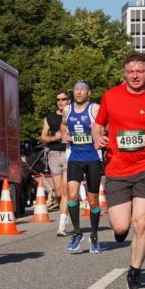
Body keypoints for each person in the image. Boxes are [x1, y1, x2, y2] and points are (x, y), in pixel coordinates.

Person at [92, 52, 145, 289]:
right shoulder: (111, 96)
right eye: (131, 71)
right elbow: (98, 125)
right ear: (125, 73)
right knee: (120, 227)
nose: (135, 75)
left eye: (140, 71)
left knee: (142, 220)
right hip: (116, 168)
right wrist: (97, 137)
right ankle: (121, 230)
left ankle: (134, 272)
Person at [59, 80, 103, 253]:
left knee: (93, 201)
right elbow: (63, 125)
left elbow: (106, 124)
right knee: (72, 195)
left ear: (88, 93)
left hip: (93, 157)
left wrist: (99, 130)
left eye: (82, 90)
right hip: (75, 157)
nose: (78, 92)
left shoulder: (95, 109)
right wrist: (64, 134)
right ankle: (77, 233)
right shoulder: (67, 109)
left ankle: (94, 235)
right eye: (76, 90)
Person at [41, 90, 71, 235]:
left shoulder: (73, 115)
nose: (60, 102)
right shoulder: (50, 118)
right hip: (53, 155)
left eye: (63, 99)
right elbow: (43, 137)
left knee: (65, 191)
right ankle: (64, 213)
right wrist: (55, 138)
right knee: (58, 193)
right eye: (58, 99)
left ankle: (62, 226)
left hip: (69, 153)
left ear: (69, 100)